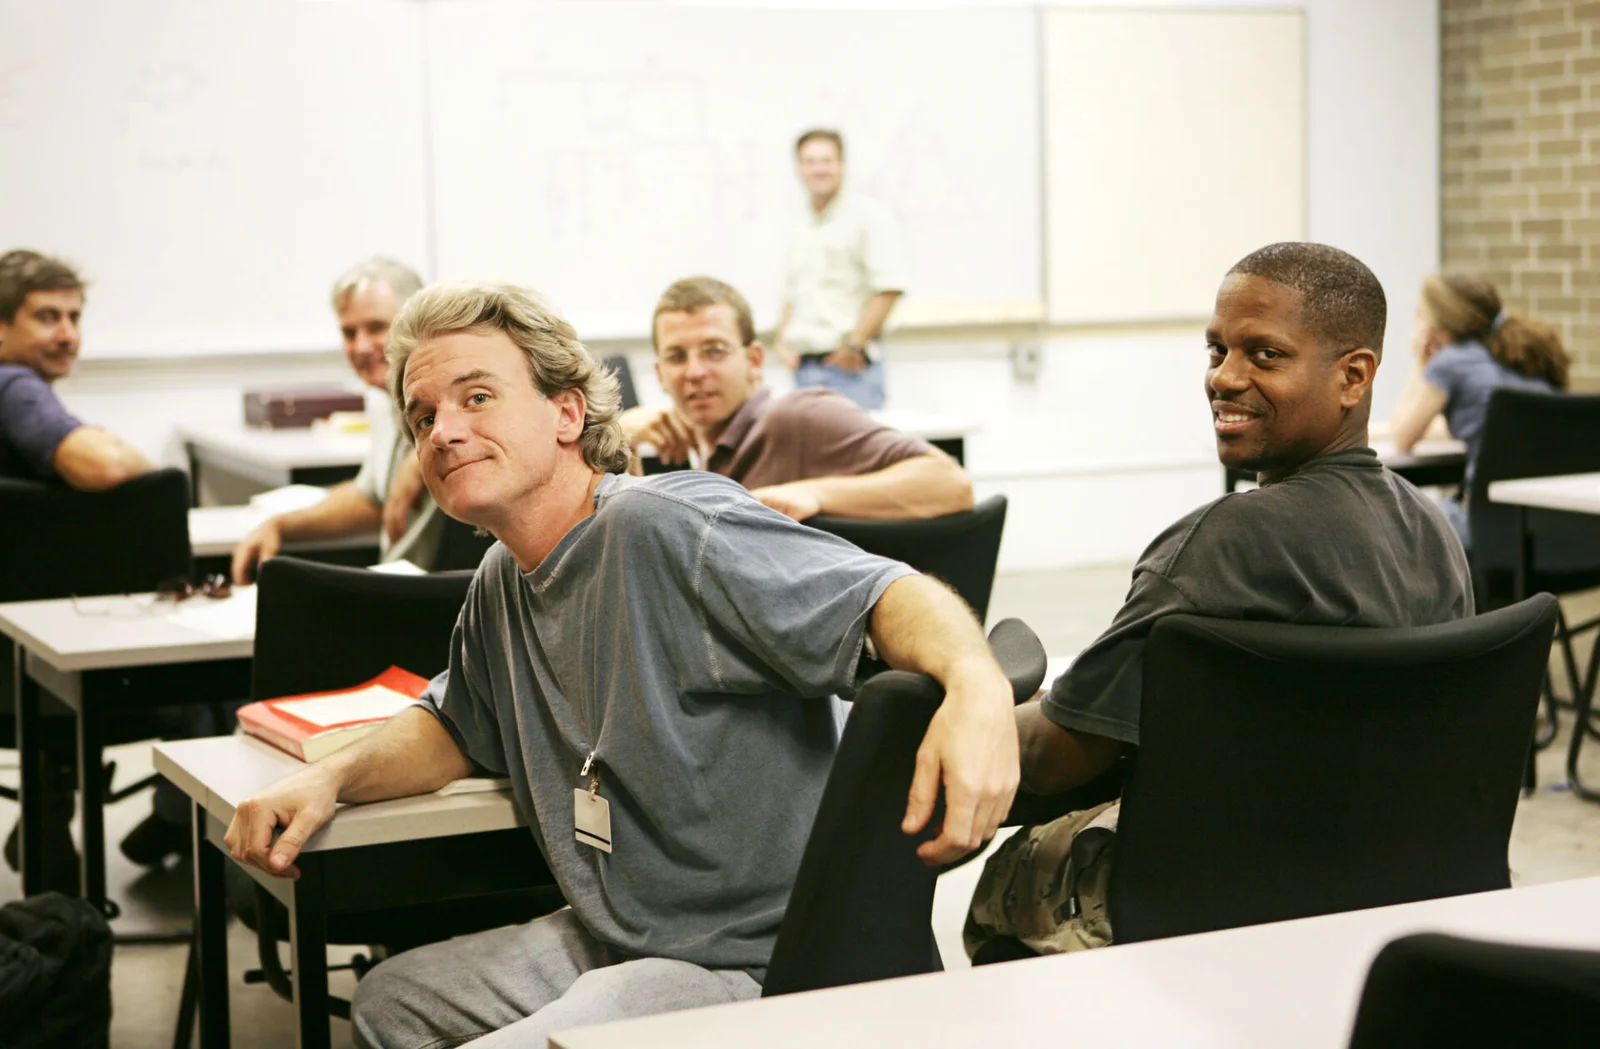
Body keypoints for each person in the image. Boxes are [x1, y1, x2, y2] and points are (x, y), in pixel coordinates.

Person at [223, 280, 1019, 1047]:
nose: (442, 432)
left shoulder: (663, 524)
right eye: (422, 415)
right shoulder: (503, 575)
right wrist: (325, 778)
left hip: (755, 959)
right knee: (391, 1000)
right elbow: (453, 724)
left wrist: (977, 683)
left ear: (567, 410)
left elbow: (888, 594)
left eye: (476, 398)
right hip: (618, 932)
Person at [971, 243, 1475, 956]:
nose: (1224, 378)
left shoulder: (1225, 543)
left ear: (1353, 376)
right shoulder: (1432, 533)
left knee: (1012, 875)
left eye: (1265, 355)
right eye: (1216, 349)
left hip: (1229, 897)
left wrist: (967, 703)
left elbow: (1057, 756)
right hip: (1388, 887)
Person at [621, 275, 971, 521]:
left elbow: (950, 483)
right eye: (677, 357)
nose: (695, 371)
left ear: (754, 360)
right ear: (660, 374)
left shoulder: (796, 417)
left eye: (715, 351)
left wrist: (814, 494)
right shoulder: (712, 458)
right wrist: (621, 438)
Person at [230, 257, 443, 584]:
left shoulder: (449, 406)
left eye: (376, 328)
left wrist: (424, 452)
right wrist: (279, 525)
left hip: (441, 598)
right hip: (394, 582)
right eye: (348, 332)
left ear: (416, 323)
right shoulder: (382, 401)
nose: (360, 346)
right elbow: (369, 498)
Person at [1388, 274, 1569, 545]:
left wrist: (1421, 360)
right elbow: (1484, 423)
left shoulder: (1451, 362)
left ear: (1440, 324)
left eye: (1421, 314)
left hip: (1486, 528)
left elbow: (1401, 437)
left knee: (1388, 529)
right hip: (1553, 528)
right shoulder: (1520, 355)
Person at [773, 129, 907, 410]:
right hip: (804, 368)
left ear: (842, 166)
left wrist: (853, 345)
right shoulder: (801, 226)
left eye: (827, 160)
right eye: (810, 162)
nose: (818, 169)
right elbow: (794, 293)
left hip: (848, 370)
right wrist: (782, 341)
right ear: (798, 169)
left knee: (857, 454)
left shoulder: (868, 217)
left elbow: (889, 287)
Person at [0, 250, 153, 487]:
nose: (68, 336)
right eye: (47, 317)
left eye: (74, 318)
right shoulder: (15, 387)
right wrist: (151, 468)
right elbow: (106, 466)